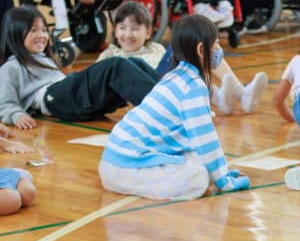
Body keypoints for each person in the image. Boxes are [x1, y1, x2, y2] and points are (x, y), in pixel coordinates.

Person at [99, 14, 250, 201]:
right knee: (198, 178)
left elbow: (196, 143)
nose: (219, 50)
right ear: (201, 50)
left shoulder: (175, 76)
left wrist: (221, 172)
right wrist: (224, 181)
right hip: (126, 168)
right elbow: (206, 140)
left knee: (196, 158)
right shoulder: (193, 87)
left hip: (116, 160)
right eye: (216, 44)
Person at [0, 6, 159, 129]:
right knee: (116, 65)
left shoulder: (44, 58)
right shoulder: (11, 66)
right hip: (55, 99)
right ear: (15, 33)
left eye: (43, 30)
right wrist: (16, 116)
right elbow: (4, 102)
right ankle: (164, 108)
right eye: (33, 30)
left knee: (135, 64)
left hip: (69, 98)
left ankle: (172, 96)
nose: (41, 35)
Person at [97, 2, 267, 114]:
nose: (127, 34)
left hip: (175, 80)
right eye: (122, 28)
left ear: (148, 32)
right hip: (159, 89)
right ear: (115, 31)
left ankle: (241, 93)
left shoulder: (156, 48)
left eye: (135, 28)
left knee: (201, 48)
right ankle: (219, 98)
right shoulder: (111, 56)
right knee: (187, 56)